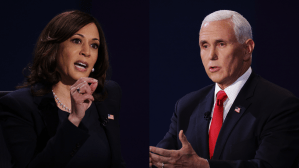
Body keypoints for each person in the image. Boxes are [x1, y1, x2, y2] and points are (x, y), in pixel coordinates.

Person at [149, 10, 299, 168]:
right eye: (205, 45)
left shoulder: (280, 105)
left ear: (247, 49)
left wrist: (205, 166)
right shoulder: (187, 106)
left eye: (221, 44)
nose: (211, 55)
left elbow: (269, 165)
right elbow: (163, 158)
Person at [0, 10, 125, 168]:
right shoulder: (19, 105)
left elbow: (116, 162)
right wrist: (74, 120)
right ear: (54, 48)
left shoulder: (107, 94)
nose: (86, 52)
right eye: (76, 41)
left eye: (94, 45)